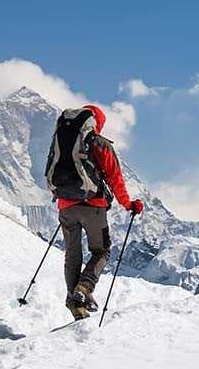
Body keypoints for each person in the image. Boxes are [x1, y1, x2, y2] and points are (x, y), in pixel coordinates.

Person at [45, 104, 143, 320]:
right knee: (101, 251)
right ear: (97, 122)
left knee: (72, 254)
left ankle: (75, 301)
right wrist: (129, 205)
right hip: (93, 206)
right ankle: (83, 290)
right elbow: (116, 179)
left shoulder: (61, 140)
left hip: (65, 205)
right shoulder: (99, 143)